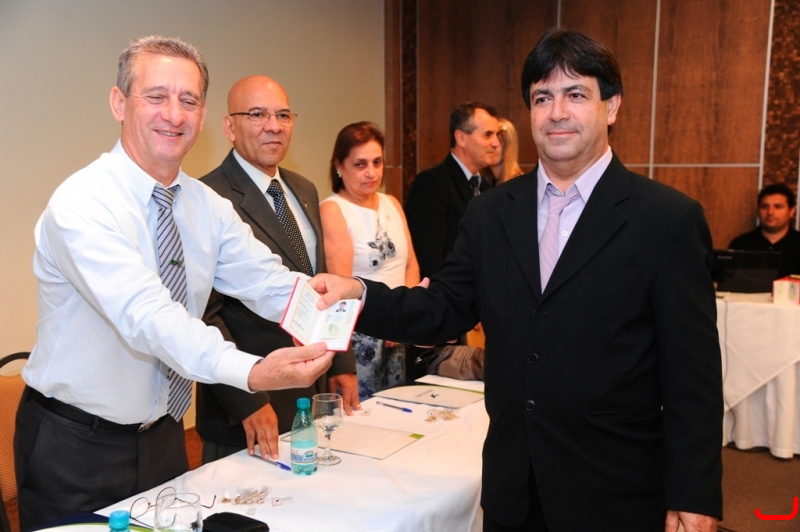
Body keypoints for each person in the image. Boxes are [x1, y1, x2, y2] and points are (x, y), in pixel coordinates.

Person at [312, 28, 722, 532]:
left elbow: (693, 376)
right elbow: (442, 308)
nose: (557, 112)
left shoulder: (666, 219)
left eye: (576, 95)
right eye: (542, 97)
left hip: (614, 489)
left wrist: (695, 493)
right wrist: (358, 293)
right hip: (514, 487)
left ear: (612, 106)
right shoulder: (491, 214)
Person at [15, 36, 334, 529]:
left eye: (188, 100)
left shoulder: (207, 206)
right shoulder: (83, 203)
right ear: (119, 103)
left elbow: (269, 282)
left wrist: (338, 310)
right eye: (156, 96)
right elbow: (150, 318)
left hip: (163, 436)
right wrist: (253, 372)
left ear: (203, 115)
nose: (174, 114)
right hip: (75, 445)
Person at [196, 76, 359, 465]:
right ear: (229, 127)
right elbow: (203, 313)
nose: (274, 126)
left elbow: (320, 283)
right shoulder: (207, 197)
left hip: (309, 391)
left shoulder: (303, 189)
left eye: (283, 115)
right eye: (257, 114)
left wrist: (340, 361)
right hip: (248, 407)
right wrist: (249, 398)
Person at [319, 122, 420, 400]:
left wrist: (405, 316)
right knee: (363, 414)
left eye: (377, 162)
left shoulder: (392, 202)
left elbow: (410, 264)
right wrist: (388, 321)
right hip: (361, 333)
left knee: (398, 408)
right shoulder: (333, 209)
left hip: (399, 328)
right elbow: (343, 286)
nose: (372, 173)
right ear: (339, 165)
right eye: (360, 164)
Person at [405, 102, 501, 279]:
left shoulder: (485, 187)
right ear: (461, 138)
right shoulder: (432, 183)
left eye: (497, 135)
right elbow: (429, 257)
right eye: (488, 135)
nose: (496, 143)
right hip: (449, 291)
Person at [728, 183, 800, 278]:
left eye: (777, 207)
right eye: (764, 207)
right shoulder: (740, 245)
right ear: (758, 210)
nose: (770, 212)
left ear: (791, 212)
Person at [483, 117, 524, 185]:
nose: (493, 145)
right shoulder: (483, 181)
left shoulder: (518, 183)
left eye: (499, 140)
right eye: (487, 138)